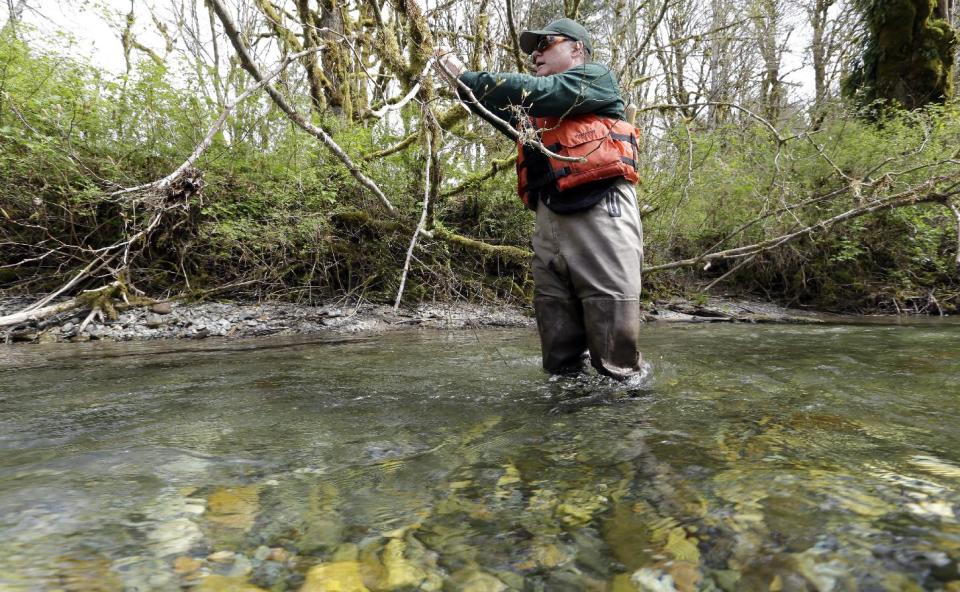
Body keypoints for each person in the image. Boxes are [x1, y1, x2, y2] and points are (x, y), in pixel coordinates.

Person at [438, 18, 646, 382]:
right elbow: (491, 106)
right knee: (558, 349)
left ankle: (623, 418)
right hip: (550, 224)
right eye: (534, 48)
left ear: (577, 48)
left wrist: (466, 76)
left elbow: (530, 90)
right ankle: (562, 417)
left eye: (546, 43)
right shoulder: (534, 113)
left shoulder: (596, 78)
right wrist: (461, 86)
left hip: (603, 213)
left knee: (616, 355)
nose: (535, 53)